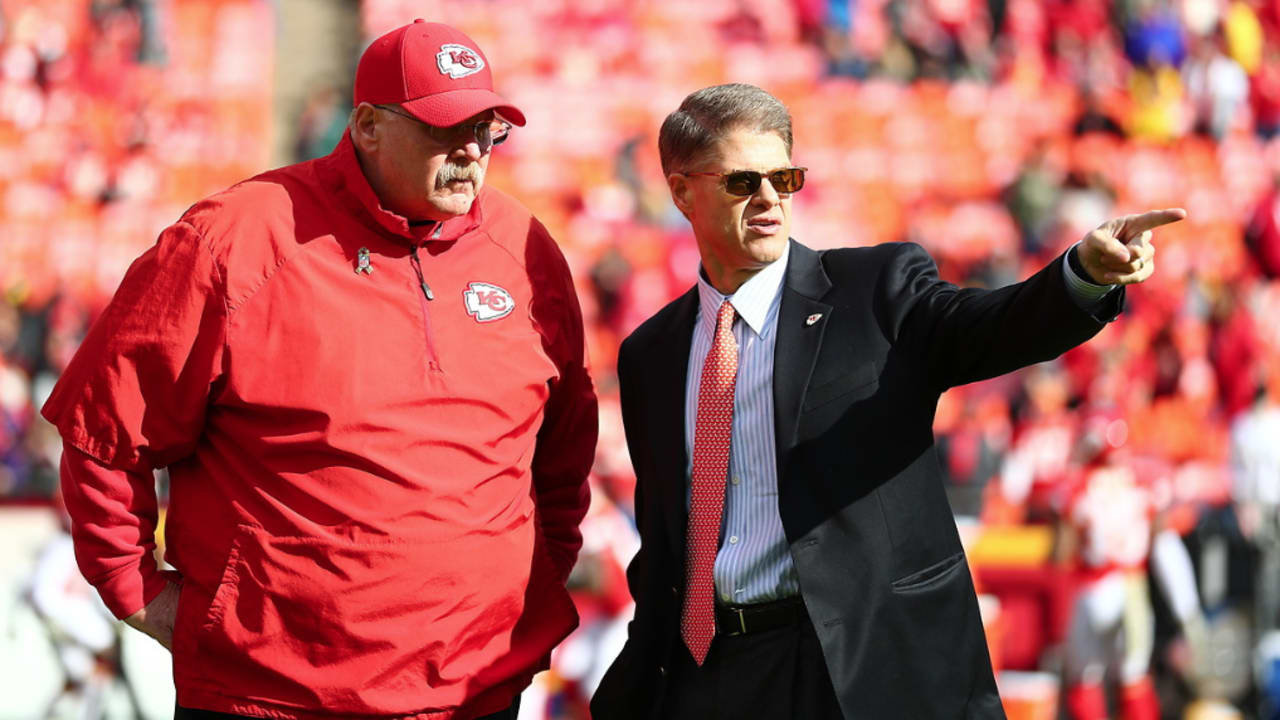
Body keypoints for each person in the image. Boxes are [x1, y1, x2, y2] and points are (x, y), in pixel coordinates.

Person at [40, 19, 597, 720]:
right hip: (274, 699)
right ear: (366, 126)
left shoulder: (524, 247)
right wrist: (138, 591)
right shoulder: (235, 240)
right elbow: (104, 427)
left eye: (486, 129)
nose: (470, 152)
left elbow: (565, 440)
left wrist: (534, 573)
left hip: (479, 691)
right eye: (443, 129)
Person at [589, 82, 1184, 720]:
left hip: (871, 662)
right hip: (719, 673)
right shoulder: (650, 354)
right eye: (741, 182)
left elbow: (990, 326)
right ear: (682, 192)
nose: (768, 200)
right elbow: (666, 539)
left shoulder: (874, 291)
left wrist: (1082, 276)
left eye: (783, 179)